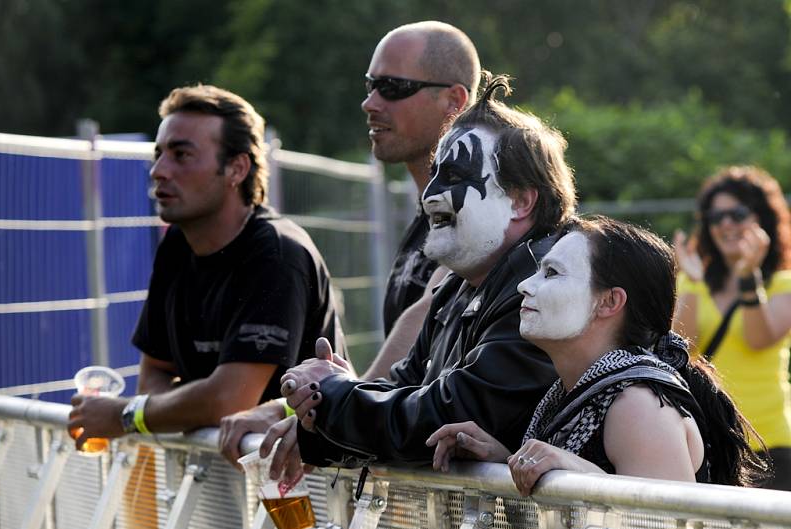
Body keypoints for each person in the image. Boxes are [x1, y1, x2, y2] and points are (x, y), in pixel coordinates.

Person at [269, 74, 576, 476]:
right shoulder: (459, 288)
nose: (430, 193)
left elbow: (446, 416)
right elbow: (404, 391)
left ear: (520, 201)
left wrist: (338, 395)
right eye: (434, 173)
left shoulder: (545, 288)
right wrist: (322, 409)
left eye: (454, 176)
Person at [218, 20, 481, 464]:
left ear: (454, 101)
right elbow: (399, 375)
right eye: (370, 85)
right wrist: (309, 404)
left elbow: (426, 313)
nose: (369, 103)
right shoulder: (426, 216)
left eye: (393, 87)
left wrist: (322, 413)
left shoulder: (475, 214)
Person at [67, 83, 344, 449]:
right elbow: (152, 379)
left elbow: (229, 399)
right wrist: (180, 406)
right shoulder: (177, 244)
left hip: (306, 480)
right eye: (159, 154)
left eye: (181, 155)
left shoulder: (277, 254)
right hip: (222, 473)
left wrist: (126, 415)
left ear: (236, 168)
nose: (158, 171)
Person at [428, 217, 767, 496]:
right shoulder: (581, 390)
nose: (524, 286)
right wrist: (502, 462)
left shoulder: (639, 404)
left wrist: (577, 474)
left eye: (551, 273)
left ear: (609, 302)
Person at [673, 166, 791, 490]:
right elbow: (682, 346)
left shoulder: (784, 284)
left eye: (736, 214)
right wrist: (693, 283)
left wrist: (748, 277)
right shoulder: (691, 279)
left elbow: (759, 338)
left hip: (769, 443)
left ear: (761, 219)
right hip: (712, 441)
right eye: (716, 217)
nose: (726, 224)